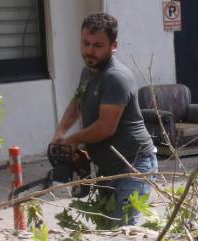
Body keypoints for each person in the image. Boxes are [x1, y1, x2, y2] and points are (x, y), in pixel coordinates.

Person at [51, 13, 157, 227]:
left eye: (97, 45)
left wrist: (72, 141)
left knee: (124, 230)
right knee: (106, 230)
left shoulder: (115, 77)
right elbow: (77, 103)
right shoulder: (87, 72)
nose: (89, 50)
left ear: (113, 45)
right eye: (85, 43)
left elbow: (105, 128)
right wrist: (60, 133)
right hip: (106, 169)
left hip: (133, 165)